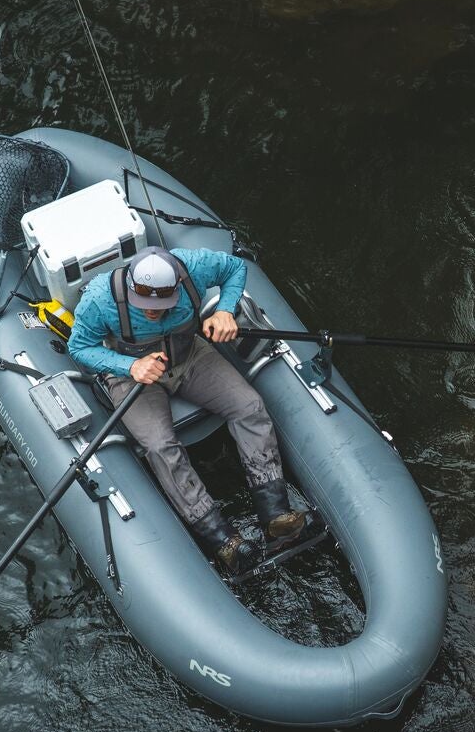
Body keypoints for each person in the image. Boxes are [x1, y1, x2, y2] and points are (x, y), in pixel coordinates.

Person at [65, 244, 309, 574]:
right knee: (160, 446)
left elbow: (235, 268)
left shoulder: (195, 265)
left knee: (249, 406)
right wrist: (129, 366)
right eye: (145, 304)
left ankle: (275, 512)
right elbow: (79, 347)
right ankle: (221, 538)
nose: (152, 311)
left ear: (178, 284)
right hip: (134, 373)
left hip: (189, 355)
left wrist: (225, 309)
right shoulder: (99, 298)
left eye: (160, 303)